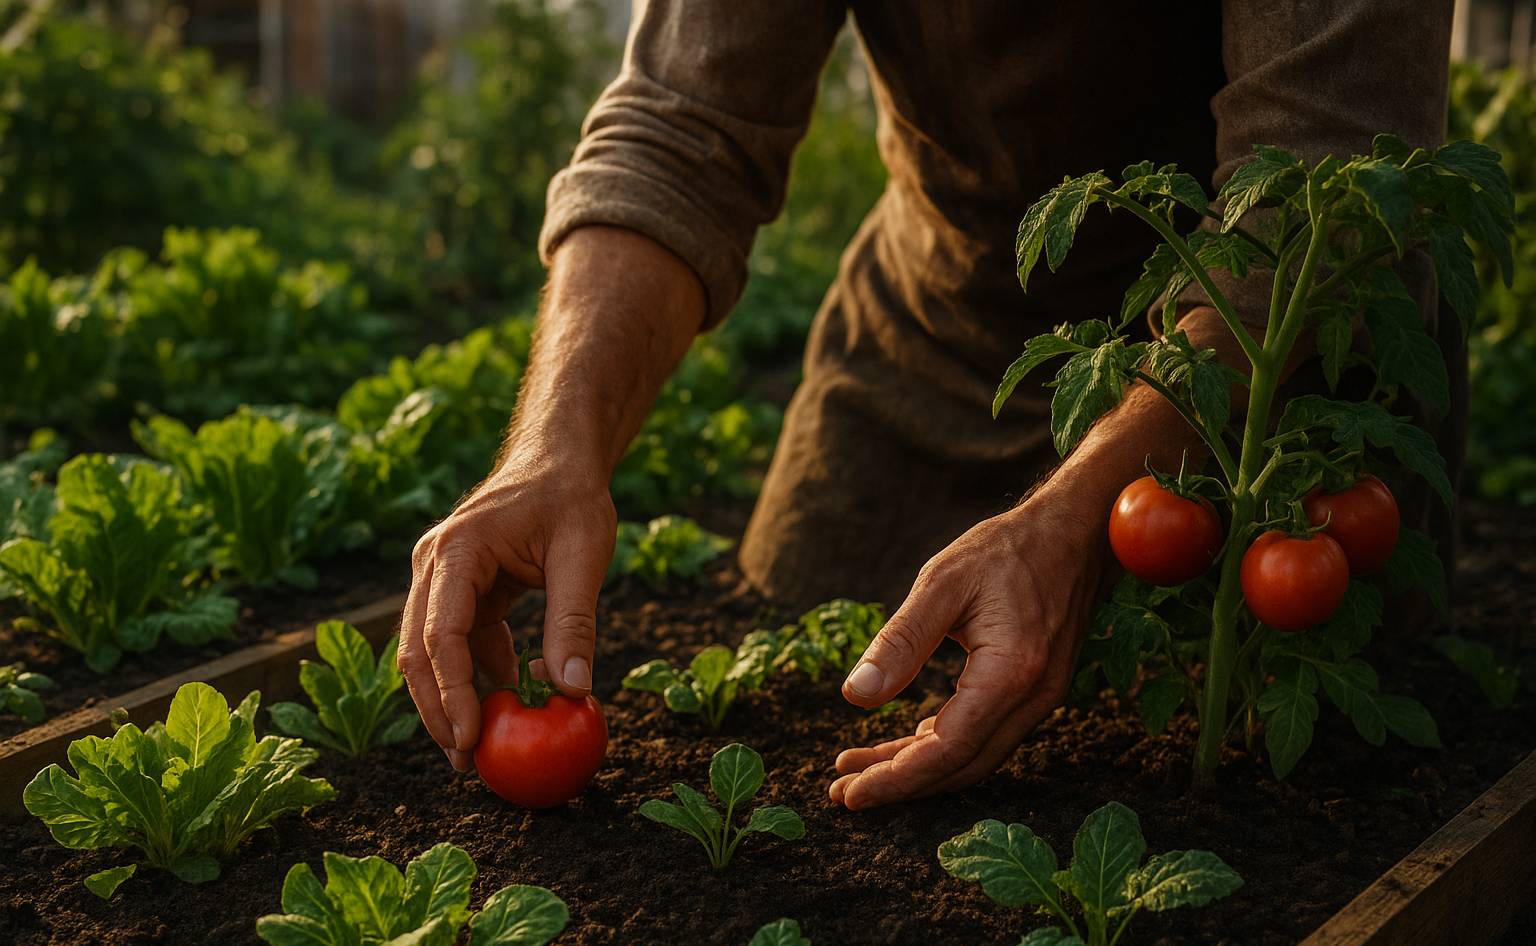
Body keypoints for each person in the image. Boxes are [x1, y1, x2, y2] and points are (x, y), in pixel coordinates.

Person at [398, 2, 1460, 810]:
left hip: (1258, 408)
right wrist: (550, 447)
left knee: (1274, 792)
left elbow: (1327, 193)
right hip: (934, 339)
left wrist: (1097, 505)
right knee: (812, 678)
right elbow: (681, 132)